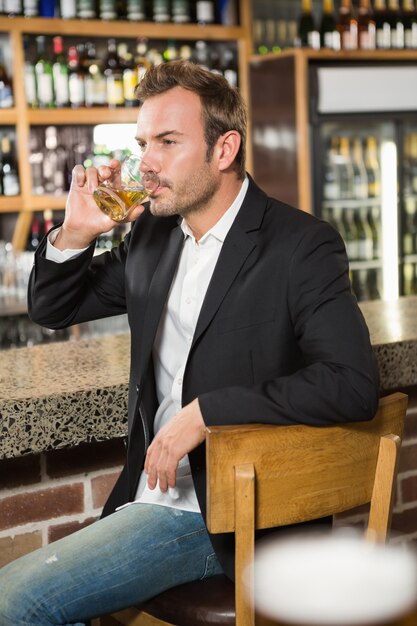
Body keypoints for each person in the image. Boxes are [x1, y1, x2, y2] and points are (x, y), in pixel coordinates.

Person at [0, 60, 379, 625]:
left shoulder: (300, 245)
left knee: (16, 599)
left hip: (233, 515)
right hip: (150, 498)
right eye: (142, 142)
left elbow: (353, 385)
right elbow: (56, 308)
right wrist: (75, 232)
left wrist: (208, 412)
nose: (145, 163)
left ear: (224, 150)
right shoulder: (153, 235)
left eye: (168, 142)